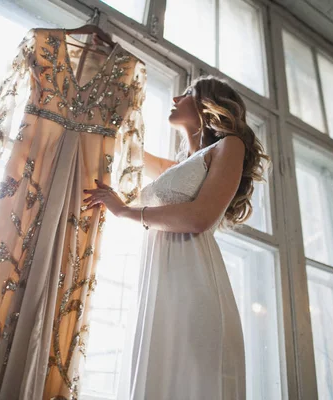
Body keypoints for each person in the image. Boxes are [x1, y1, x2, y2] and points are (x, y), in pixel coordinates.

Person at [83, 75, 270, 400]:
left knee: (186, 375)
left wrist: (125, 211)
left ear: (207, 103)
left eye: (185, 93)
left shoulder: (230, 146)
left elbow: (200, 218)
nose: (174, 99)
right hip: (161, 275)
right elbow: (134, 149)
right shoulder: (183, 165)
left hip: (191, 276)